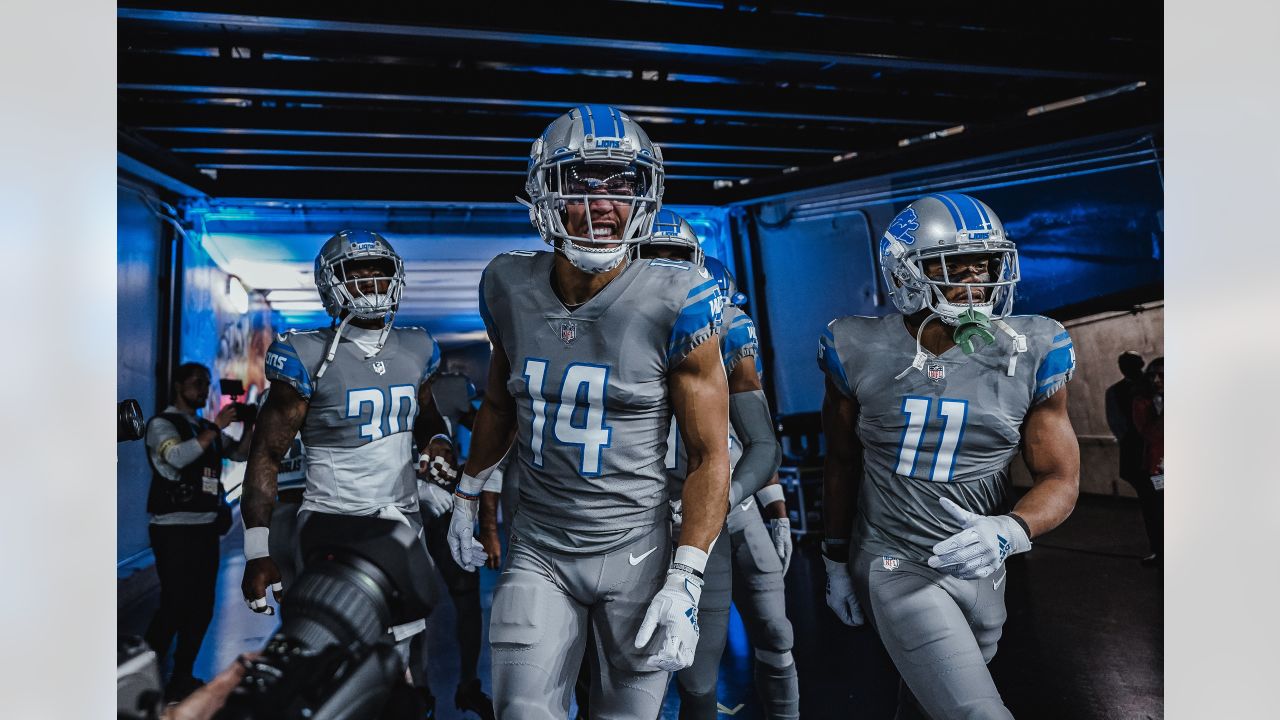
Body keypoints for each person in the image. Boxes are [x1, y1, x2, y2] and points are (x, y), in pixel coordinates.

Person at [447, 105, 731, 719]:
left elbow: (711, 455)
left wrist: (687, 577)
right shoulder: (505, 283)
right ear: (546, 193)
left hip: (639, 548)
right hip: (540, 545)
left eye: (622, 184)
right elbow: (499, 401)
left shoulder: (680, 297)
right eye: (582, 182)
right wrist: (470, 492)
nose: (606, 204)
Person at [819, 193, 1081, 719]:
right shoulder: (854, 345)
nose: (975, 281)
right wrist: (834, 559)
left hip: (983, 564)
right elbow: (842, 461)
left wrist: (1008, 530)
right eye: (953, 266)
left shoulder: (1032, 347)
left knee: (926, 704)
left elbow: (1061, 478)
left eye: (984, 265)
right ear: (906, 273)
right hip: (895, 558)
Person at [238, 229, 455, 710]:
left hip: (402, 527)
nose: (372, 282)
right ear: (329, 284)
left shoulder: (417, 346)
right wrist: (257, 550)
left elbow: (427, 417)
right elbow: (266, 454)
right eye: (356, 272)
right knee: (329, 656)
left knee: (404, 664)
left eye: (379, 270)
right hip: (334, 525)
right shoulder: (305, 354)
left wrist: (438, 440)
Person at [632, 218, 783, 719]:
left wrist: (758, 502)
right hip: (625, 519)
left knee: (702, 672)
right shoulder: (597, 324)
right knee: (620, 673)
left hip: (707, 510)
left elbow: (761, 442)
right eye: (652, 253)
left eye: (676, 256)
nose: (665, 269)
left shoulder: (726, 324)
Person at [143, 362, 255, 701]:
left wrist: (250, 424)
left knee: (202, 606)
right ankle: (139, 671)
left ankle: (182, 675)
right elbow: (177, 457)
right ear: (178, 385)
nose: (204, 388)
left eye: (207, 383)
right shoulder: (161, 424)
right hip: (172, 530)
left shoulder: (206, 426)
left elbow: (240, 453)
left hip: (205, 529)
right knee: (175, 604)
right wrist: (216, 427)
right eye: (197, 382)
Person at [416, 371, 496, 719]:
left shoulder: (444, 391)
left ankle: (466, 684)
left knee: (465, 593)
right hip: (398, 501)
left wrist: (463, 468)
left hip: (439, 502)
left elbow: (483, 427)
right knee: (408, 606)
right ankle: (418, 690)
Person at [1105, 351, 1160, 562]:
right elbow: (1119, 426)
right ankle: (1159, 547)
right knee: (1152, 505)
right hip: (1142, 458)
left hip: (1150, 456)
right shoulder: (1120, 392)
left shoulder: (1151, 386)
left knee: (1155, 505)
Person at [1130, 357, 1164, 566]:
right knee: (1159, 511)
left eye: (1162, 375)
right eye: (1152, 376)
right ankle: (1159, 551)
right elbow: (1150, 434)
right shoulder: (1142, 402)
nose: (1157, 380)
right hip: (1158, 466)